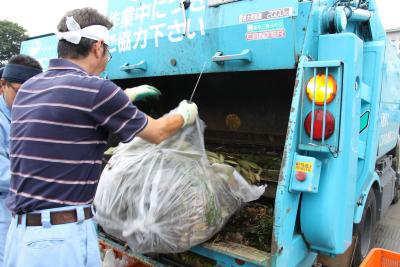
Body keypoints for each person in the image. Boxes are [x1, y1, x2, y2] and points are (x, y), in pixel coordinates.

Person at [3, 7, 198, 267]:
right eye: (108, 51)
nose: (108, 58)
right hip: (61, 240)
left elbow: (68, 120)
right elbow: (157, 132)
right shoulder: (96, 89)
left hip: (21, 237)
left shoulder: (29, 88)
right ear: (98, 47)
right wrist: (184, 115)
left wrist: (123, 97)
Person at [0, 56, 42, 267]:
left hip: (24, 209)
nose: (26, 99)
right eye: (19, 92)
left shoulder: (28, 115)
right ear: (2, 85)